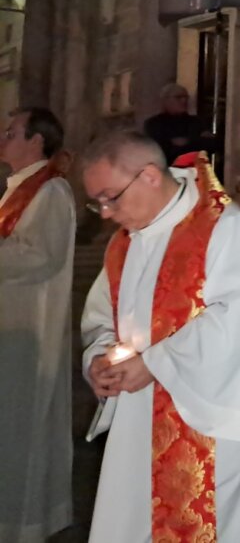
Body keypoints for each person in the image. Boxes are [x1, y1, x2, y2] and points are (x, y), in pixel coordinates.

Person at [79, 132, 240, 542]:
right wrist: (99, 359)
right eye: (98, 203)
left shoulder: (227, 228)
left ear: (148, 176)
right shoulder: (124, 243)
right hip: (138, 422)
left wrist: (156, 363)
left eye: (111, 198)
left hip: (212, 425)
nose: (106, 213)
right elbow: (101, 315)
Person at [0, 108, 74, 542]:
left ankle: (23, 522)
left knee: (23, 425)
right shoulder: (17, 190)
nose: (3, 138)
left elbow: (40, 256)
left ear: (37, 141)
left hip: (31, 326)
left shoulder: (51, 190)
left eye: (11, 132)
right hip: (11, 327)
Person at [142, 83, 219, 167]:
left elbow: (211, 146)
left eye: (186, 97)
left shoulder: (197, 122)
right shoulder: (154, 124)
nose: (184, 101)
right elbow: (161, 151)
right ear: (165, 100)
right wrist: (196, 141)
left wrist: (186, 142)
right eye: (178, 97)